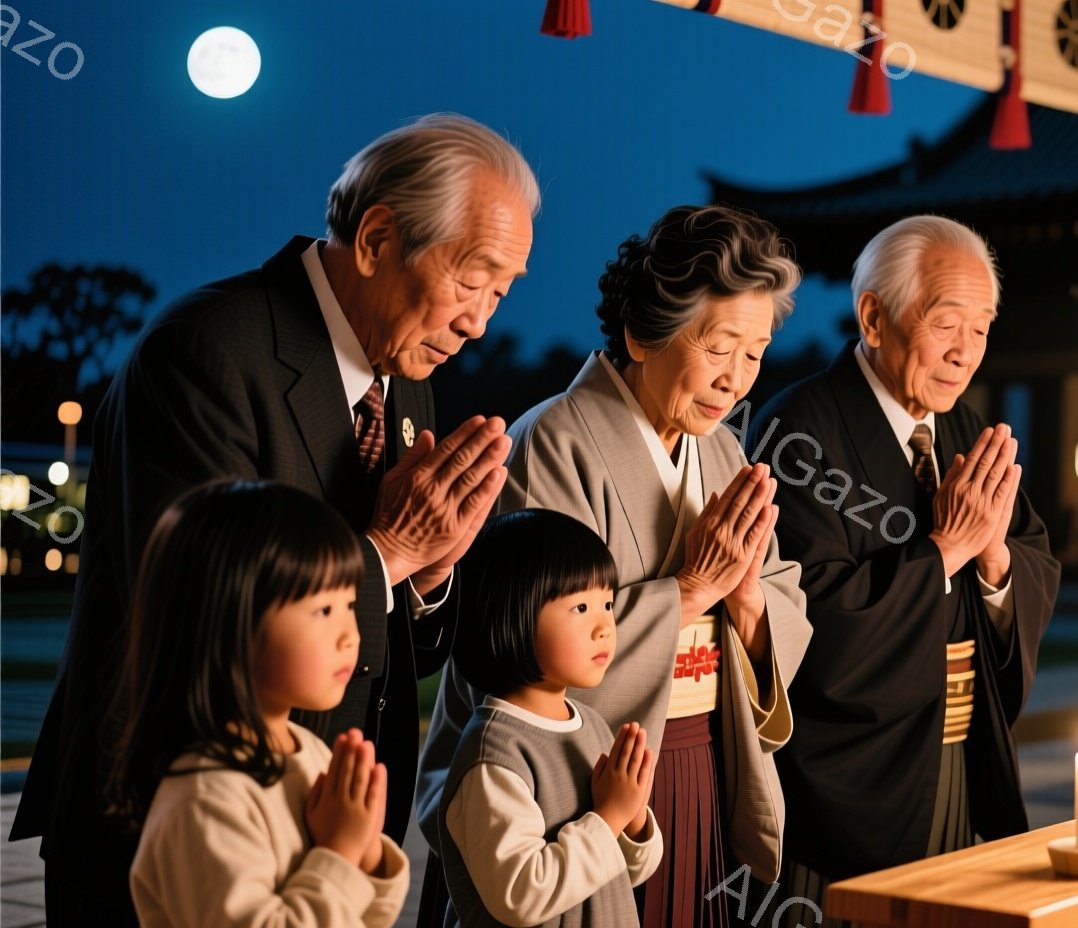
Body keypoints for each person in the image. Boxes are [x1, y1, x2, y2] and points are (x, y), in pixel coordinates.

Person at [12, 112, 536, 924]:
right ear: (375, 240)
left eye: (502, 292)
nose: (479, 322)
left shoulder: (406, 373)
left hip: (333, 838)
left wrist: (432, 574)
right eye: (472, 280)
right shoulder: (205, 349)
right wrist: (392, 553)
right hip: (175, 828)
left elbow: (394, 648)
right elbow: (198, 614)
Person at [417, 205, 812, 928]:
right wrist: (692, 591)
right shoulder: (555, 443)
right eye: (719, 345)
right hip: (573, 777)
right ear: (641, 333)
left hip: (695, 757)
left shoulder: (723, 448)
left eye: (754, 353)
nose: (735, 380)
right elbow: (528, 638)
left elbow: (780, 594)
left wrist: (748, 598)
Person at [747, 215, 1061, 921]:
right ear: (874, 317)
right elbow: (804, 618)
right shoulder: (798, 432)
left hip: (954, 753)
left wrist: (992, 557)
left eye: (981, 329)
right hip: (849, 778)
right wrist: (944, 550)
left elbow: (1031, 559)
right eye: (948, 322)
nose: (966, 352)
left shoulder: (965, 431)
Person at [109, 480, 410, 927]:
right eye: (323, 610)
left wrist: (365, 850)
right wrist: (340, 853)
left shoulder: (307, 750)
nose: (351, 635)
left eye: (349, 604)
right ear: (229, 622)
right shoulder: (204, 799)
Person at [433, 509, 664, 927]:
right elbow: (522, 895)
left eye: (607, 603)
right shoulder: (494, 756)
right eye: (580, 607)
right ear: (512, 613)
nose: (604, 627)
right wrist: (608, 815)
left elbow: (627, 871)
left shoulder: (590, 724)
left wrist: (632, 820)